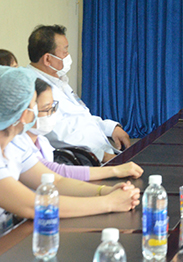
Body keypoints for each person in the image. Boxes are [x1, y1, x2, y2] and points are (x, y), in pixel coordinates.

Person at [0, 66, 140, 235]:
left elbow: (55, 181)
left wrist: (105, 191)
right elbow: (32, 206)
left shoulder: (16, 141)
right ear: (24, 114)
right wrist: (109, 203)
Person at [27, 25, 130, 162]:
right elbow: (56, 134)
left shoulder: (57, 80)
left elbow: (80, 117)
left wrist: (111, 128)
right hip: (83, 160)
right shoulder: (34, 88)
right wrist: (100, 156)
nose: (68, 56)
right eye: (64, 52)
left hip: (100, 153)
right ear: (47, 59)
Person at [17, 78, 143, 181]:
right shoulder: (15, 147)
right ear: (25, 113)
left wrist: (113, 173)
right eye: (47, 109)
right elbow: (32, 201)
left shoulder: (40, 142)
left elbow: (58, 174)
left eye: (53, 107)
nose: (53, 114)